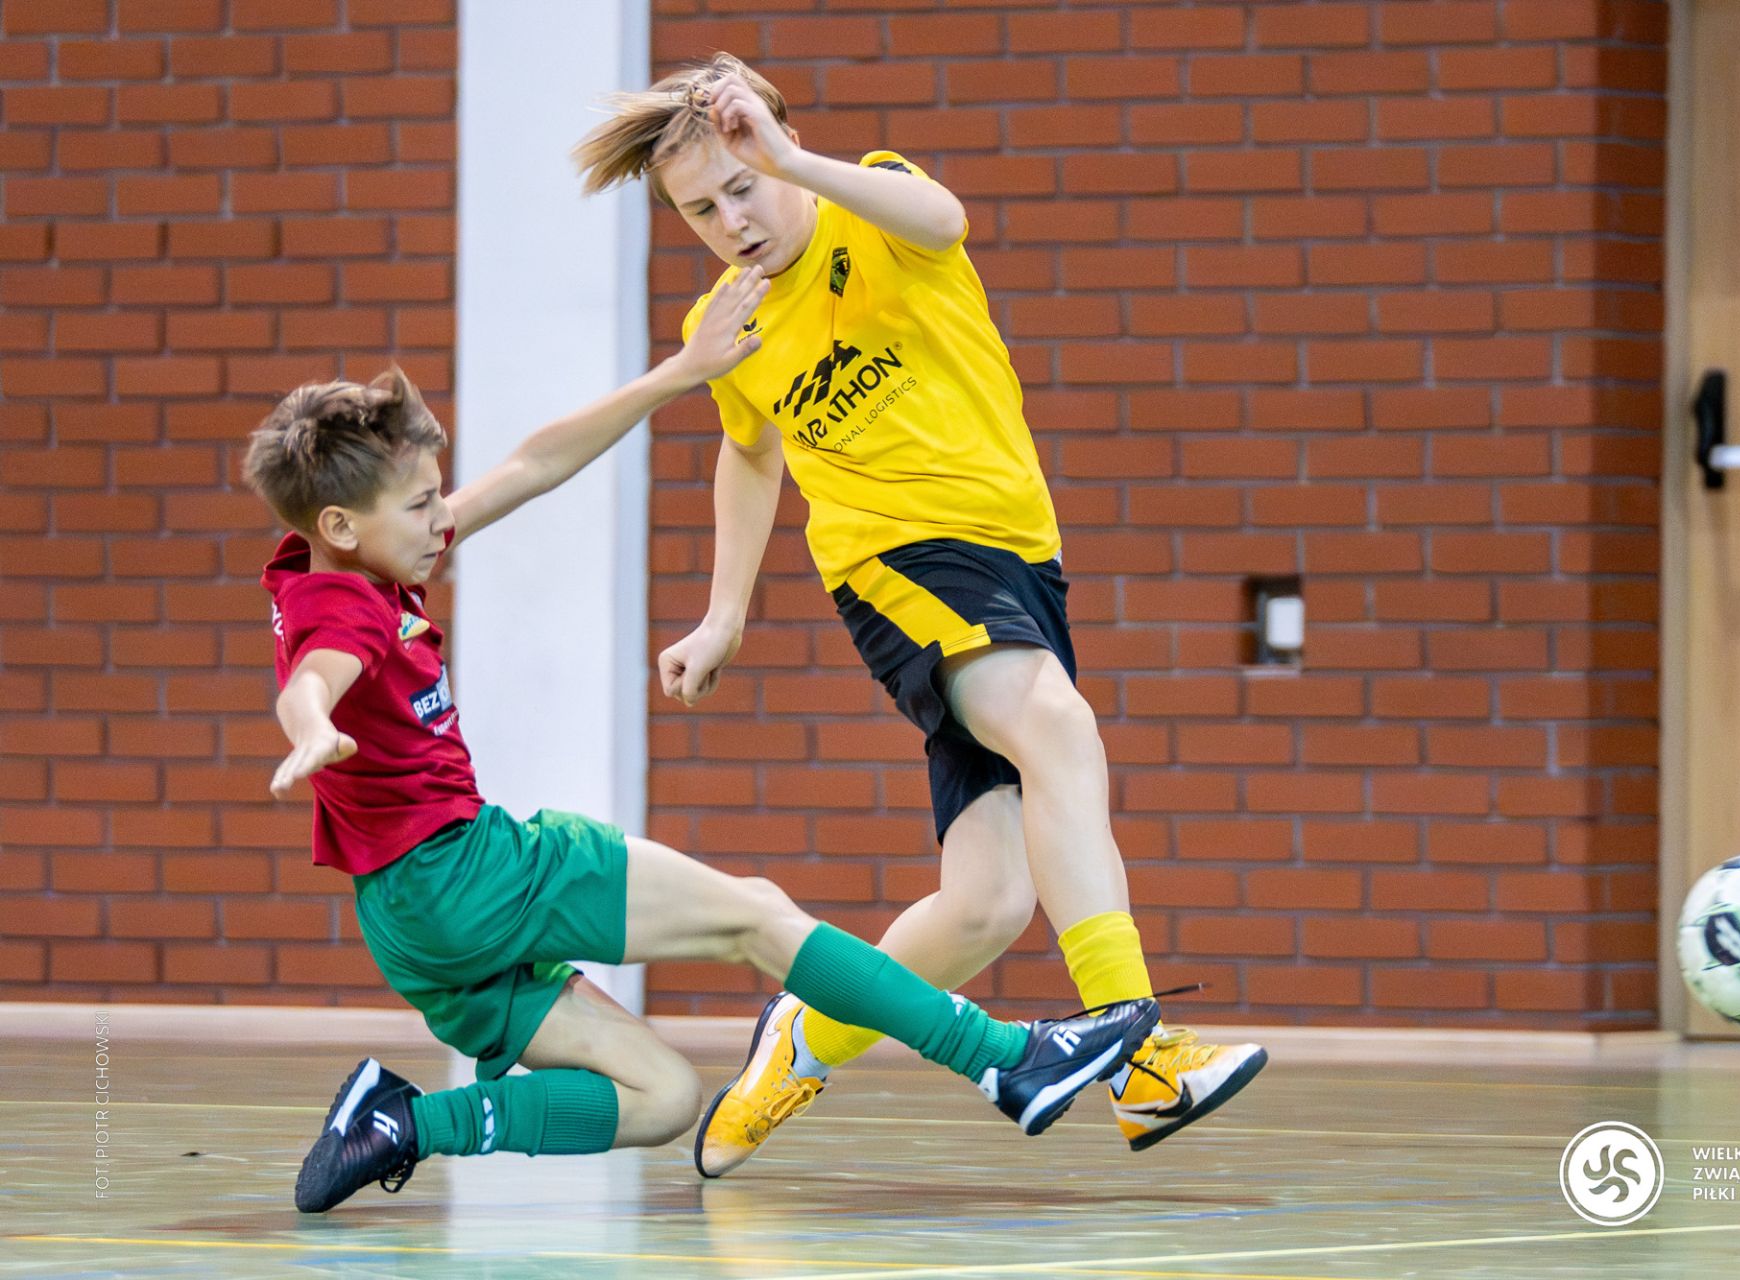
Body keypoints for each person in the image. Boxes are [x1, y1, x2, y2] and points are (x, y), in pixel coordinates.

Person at [245, 267, 1158, 1214]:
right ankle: (1006, 1061)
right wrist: (310, 728)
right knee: (755, 917)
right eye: (423, 506)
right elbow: (316, 676)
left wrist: (681, 372)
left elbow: (532, 465)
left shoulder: (348, 557)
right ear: (342, 523)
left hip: (409, 924)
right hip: (468, 871)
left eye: (440, 495)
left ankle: (401, 1123)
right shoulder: (347, 607)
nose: (445, 518)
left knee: (663, 1098)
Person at [574, 54, 1267, 1179]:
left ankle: (808, 1034)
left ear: (780, 148)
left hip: (1017, 555)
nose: (731, 221)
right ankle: (1139, 1056)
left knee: (986, 904)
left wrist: (793, 161)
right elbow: (749, 457)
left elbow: (947, 219)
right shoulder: (728, 322)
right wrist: (723, 613)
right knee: (1059, 728)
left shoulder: (877, 204)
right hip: (896, 563)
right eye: (700, 209)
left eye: (743, 185)